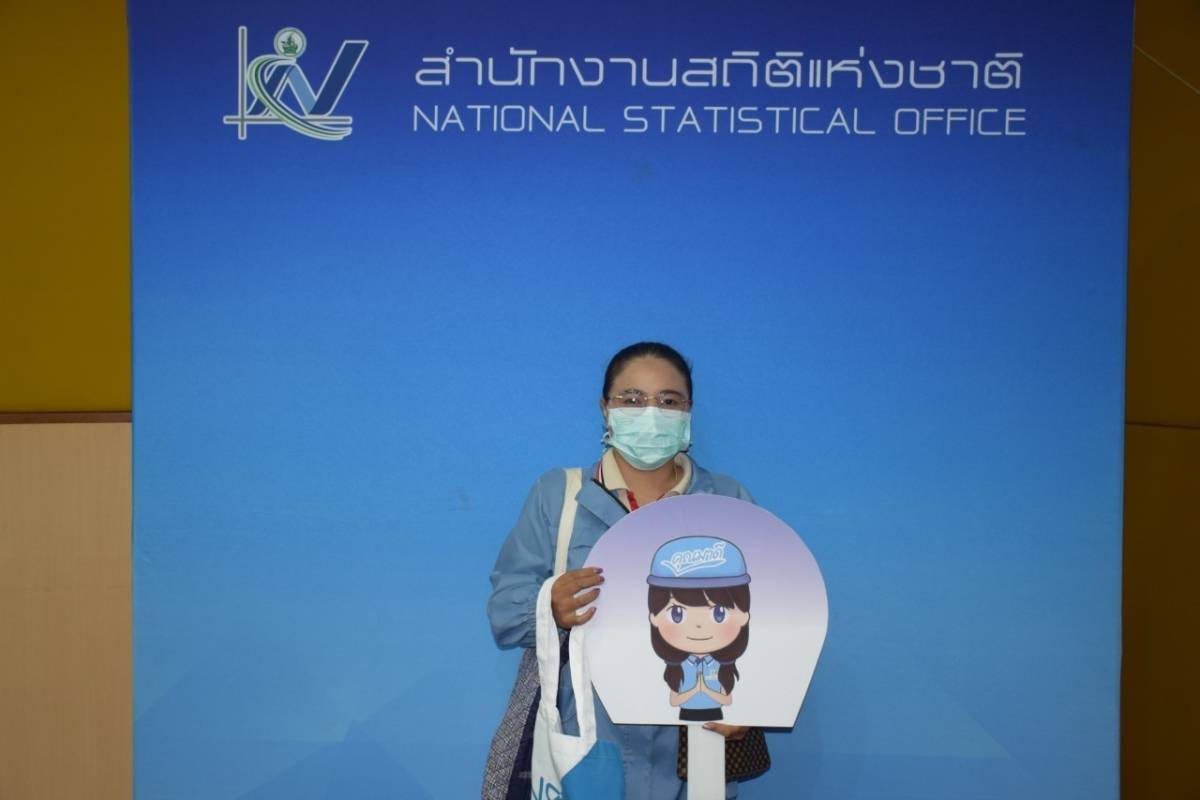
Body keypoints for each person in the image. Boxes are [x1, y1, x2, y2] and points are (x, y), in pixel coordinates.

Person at [487, 341, 754, 799]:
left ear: (688, 412)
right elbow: (503, 614)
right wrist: (549, 605)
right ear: (605, 409)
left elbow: (766, 621)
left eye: (668, 400)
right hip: (587, 731)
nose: (650, 412)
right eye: (631, 399)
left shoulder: (727, 501)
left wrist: (752, 702)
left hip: (695, 737)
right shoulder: (559, 496)